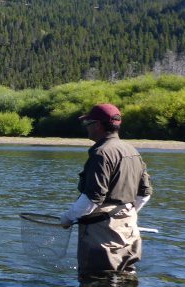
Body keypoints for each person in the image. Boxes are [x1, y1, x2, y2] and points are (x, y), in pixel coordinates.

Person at [60, 103, 152, 278]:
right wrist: (126, 214)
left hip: (102, 235)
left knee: (96, 281)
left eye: (88, 123)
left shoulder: (100, 153)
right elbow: (144, 193)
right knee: (125, 281)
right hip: (129, 230)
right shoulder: (132, 151)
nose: (86, 128)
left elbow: (93, 197)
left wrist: (68, 218)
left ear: (98, 125)